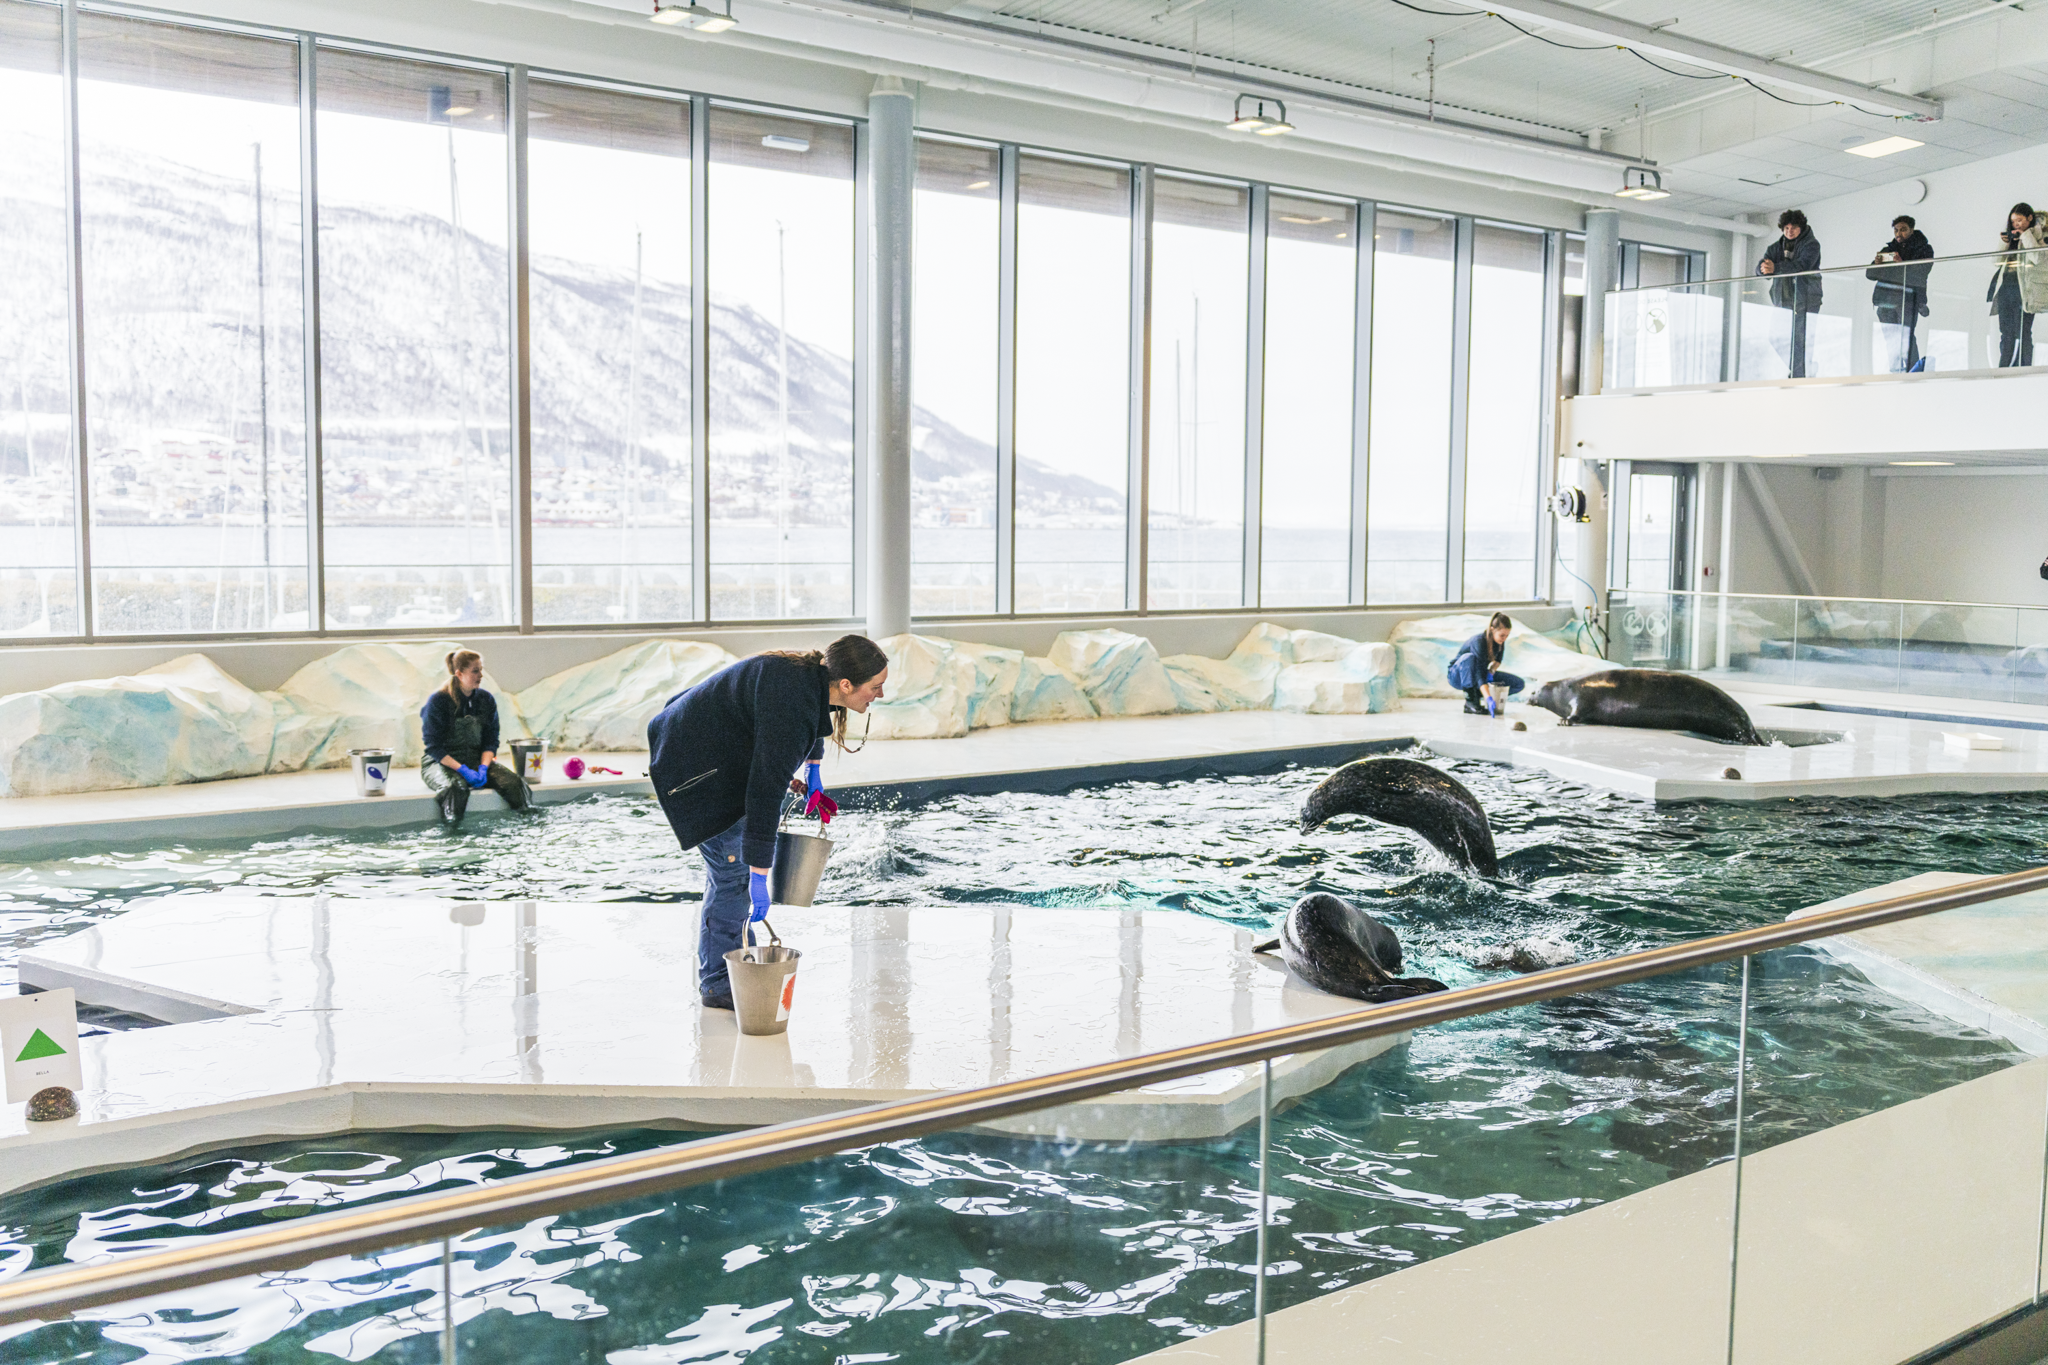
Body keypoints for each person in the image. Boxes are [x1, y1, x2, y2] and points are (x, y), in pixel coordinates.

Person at [648, 635, 889, 1011]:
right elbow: (764, 791)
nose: (880, 694)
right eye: (876, 687)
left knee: (735, 874)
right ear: (846, 684)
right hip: (691, 768)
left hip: (709, 745)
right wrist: (759, 872)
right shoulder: (793, 702)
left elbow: (811, 720)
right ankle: (715, 984)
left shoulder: (807, 677)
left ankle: (721, 968)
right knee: (732, 877)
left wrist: (812, 769)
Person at [420, 649, 531, 825]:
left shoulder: (485, 700)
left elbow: (490, 740)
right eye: (475, 671)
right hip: (439, 762)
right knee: (455, 789)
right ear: (459, 673)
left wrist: (483, 768)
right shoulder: (439, 701)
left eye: (481, 669)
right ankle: (453, 833)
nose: (481, 675)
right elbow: (434, 748)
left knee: (514, 783)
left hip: (475, 759)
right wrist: (463, 770)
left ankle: (528, 822)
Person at [1758, 209, 1823, 378]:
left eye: (1793, 227)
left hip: (1806, 300)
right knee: (1775, 337)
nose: (1789, 231)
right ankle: (1801, 370)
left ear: (1801, 227)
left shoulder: (1812, 245)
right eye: (1786, 228)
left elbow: (1802, 266)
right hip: (1783, 300)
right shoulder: (1775, 247)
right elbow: (1763, 268)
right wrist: (1762, 269)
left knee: (1800, 340)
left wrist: (1776, 268)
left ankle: (1799, 374)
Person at [1867, 215, 1933, 372]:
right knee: (1891, 338)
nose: (1898, 234)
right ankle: (1895, 371)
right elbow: (1869, 275)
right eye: (1896, 230)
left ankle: (1913, 372)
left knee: (1906, 337)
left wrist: (1900, 264)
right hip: (1885, 300)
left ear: (1911, 229)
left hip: (1908, 299)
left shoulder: (1924, 249)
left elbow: (1920, 274)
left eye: (1903, 229)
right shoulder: (1888, 250)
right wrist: (1876, 265)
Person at [1990, 203, 2048, 368]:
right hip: (2007, 288)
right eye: (2014, 221)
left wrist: (2025, 235)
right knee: (2006, 332)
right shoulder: (2012, 237)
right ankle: (2004, 368)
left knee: (2023, 332)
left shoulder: (2040, 235)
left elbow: (2037, 259)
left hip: (2026, 291)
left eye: (2020, 220)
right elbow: (1995, 263)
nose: (2017, 225)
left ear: (2030, 218)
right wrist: (2004, 243)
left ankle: (2024, 367)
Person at [1448, 613, 1524, 716]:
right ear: (1492, 630)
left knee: (1518, 683)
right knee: (1469, 658)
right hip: (1458, 676)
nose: (1504, 638)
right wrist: (1488, 697)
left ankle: (1478, 694)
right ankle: (1471, 701)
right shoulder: (1478, 641)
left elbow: (1498, 661)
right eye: (1502, 635)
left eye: (1507, 635)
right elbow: (1478, 672)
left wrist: (1491, 673)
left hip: (1479, 676)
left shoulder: (1500, 642)